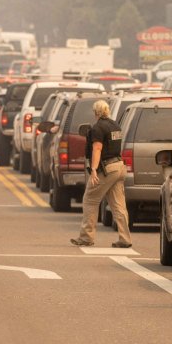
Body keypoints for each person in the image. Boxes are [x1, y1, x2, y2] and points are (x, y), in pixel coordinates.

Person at [70, 100, 132, 248]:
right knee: (118, 205)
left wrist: (93, 169)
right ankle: (125, 239)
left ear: (95, 112)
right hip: (119, 166)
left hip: (107, 168)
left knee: (90, 199)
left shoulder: (98, 128)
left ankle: (86, 237)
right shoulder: (115, 125)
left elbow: (97, 149)